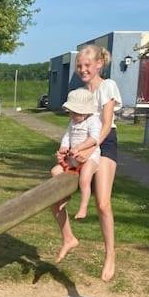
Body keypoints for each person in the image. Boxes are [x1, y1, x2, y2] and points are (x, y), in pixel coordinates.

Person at [52, 44, 122, 281]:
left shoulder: (107, 86)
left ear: (99, 64)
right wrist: (66, 151)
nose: (82, 69)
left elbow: (104, 124)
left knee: (103, 203)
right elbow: (72, 128)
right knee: (54, 193)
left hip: (104, 141)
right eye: (79, 66)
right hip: (82, 145)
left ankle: (110, 253)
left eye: (87, 65)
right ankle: (68, 237)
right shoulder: (80, 94)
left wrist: (89, 148)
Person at [51, 88, 101, 220]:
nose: (72, 116)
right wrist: (64, 147)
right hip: (74, 157)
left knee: (84, 179)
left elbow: (94, 139)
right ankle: (64, 195)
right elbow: (68, 136)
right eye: (71, 113)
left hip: (90, 157)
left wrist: (79, 147)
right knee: (55, 171)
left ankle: (83, 207)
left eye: (76, 113)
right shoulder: (73, 122)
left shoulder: (93, 121)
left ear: (86, 111)